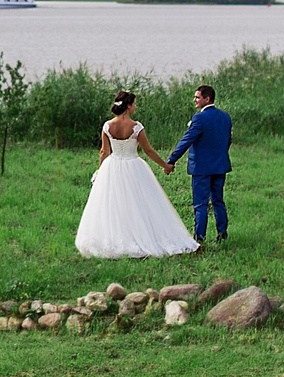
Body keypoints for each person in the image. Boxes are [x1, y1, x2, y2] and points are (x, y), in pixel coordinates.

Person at [74, 90, 200, 258]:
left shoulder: (107, 126)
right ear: (128, 106)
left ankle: (116, 238)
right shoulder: (136, 127)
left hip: (112, 166)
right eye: (134, 103)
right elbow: (147, 150)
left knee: (113, 203)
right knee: (140, 202)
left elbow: (104, 151)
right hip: (133, 165)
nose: (136, 106)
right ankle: (140, 235)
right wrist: (165, 165)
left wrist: (101, 170)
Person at [165, 83, 233, 246]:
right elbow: (228, 140)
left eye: (197, 97)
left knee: (200, 204)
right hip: (220, 165)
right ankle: (222, 234)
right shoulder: (225, 116)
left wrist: (171, 160)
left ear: (207, 98)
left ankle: (199, 238)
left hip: (202, 168)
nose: (194, 100)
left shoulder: (199, 118)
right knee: (218, 201)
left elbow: (186, 141)